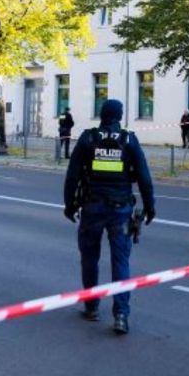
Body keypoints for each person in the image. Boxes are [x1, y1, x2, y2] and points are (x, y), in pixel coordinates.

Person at [64, 98, 155, 335]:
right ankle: (121, 315)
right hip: (121, 211)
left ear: (102, 115)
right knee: (120, 262)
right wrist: (150, 206)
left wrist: (69, 205)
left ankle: (92, 307)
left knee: (89, 259)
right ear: (119, 116)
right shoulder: (128, 139)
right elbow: (144, 177)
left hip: (92, 208)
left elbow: (72, 175)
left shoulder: (88, 138)